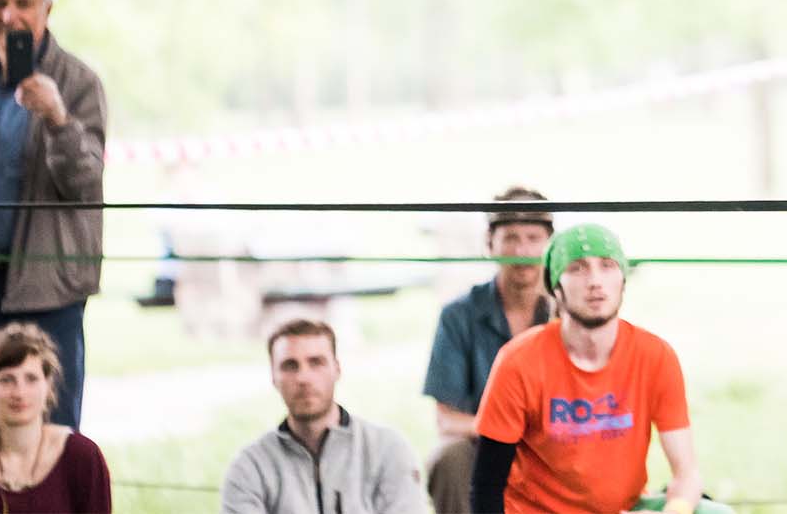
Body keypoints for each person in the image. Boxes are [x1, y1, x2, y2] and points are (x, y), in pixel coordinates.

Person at [470, 222, 720, 514]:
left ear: (623, 280)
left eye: (607, 266)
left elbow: (687, 474)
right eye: (577, 268)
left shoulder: (655, 355)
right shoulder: (518, 361)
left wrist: (675, 510)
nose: (595, 281)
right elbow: (486, 486)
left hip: (625, 509)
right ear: (556, 287)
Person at [0, 0, 107, 430]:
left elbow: (86, 184)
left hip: (44, 291)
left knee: (50, 433)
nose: (9, 15)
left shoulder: (77, 82)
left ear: (47, 10)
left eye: (23, 3)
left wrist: (57, 118)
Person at [422, 187, 556, 513]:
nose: (522, 250)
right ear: (489, 243)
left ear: (550, 244)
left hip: (558, 443)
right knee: (448, 458)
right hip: (482, 445)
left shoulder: (566, 311)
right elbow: (447, 419)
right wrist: (504, 432)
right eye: (510, 237)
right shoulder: (458, 316)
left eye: (532, 237)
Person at [221, 318, 426, 513]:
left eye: (316, 362)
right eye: (290, 366)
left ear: (337, 369)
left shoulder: (387, 450)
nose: (303, 378)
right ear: (273, 377)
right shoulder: (249, 467)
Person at [0, 323, 112, 512]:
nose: (19, 392)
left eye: (31, 379)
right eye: (6, 380)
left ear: (48, 386)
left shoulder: (82, 456)